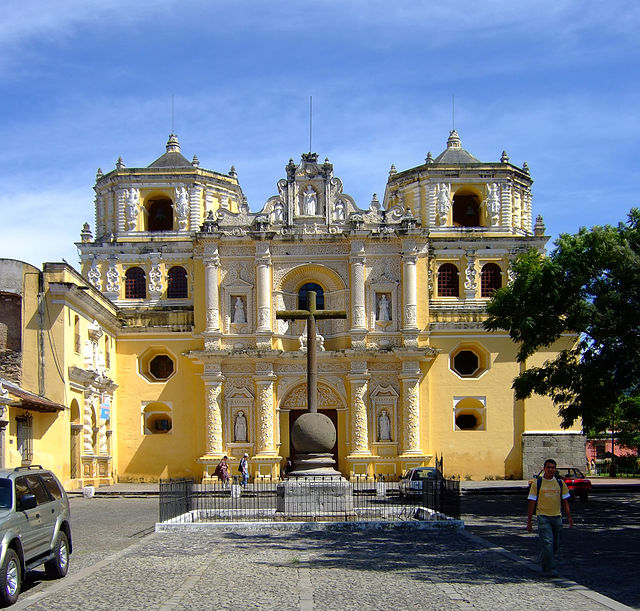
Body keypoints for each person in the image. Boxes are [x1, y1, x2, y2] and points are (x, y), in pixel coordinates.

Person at [526, 458, 574, 577]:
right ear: (544, 469)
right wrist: (529, 521)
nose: (550, 470)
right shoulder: (537, 483)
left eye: (553, 468)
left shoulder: (560, 483)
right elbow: (532, 502)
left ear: (555, 469)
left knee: (556, 544)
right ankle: (551, 569)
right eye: (548, 467)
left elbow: (565, 501)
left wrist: (569, 517)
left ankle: (544, 559)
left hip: (557, 517)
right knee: (548, 542)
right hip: (543, 517)